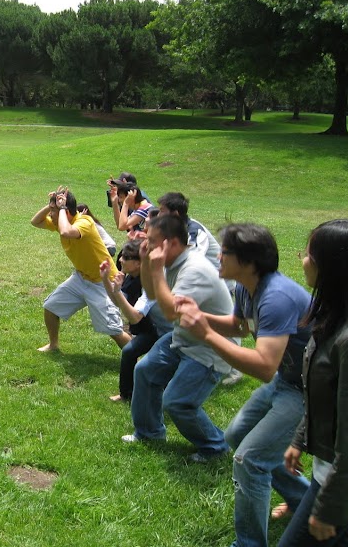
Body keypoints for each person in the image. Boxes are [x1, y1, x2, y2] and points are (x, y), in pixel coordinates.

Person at [175, 224, 312, 547]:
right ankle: (304, 499)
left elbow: (264, 366)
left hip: (309, 390)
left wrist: (205, 334)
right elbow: (239, 326)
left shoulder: (276, 297)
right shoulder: (246, 289)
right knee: (236, 435)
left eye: (225, 253)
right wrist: (201, 317)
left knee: (249, 459)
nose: (218, 257)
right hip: (287, 380)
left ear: (249, 262)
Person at [277, 220, 348, 547]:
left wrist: (331, 507)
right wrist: (300, 439)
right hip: (334, 469)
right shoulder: (334, 319)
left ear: (330, 268)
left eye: (308, 254)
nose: (303, 260)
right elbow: (324, 396)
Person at [123, 213, 235, 462]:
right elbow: (152, 293)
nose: (145, 243)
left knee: (177, 402)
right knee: (145, 371)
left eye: (151, 240)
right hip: (184, 335)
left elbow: (171, 312)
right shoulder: (171, 261)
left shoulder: (194, 269)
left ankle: (216, 446)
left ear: (171, 243)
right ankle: (149, 433)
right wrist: (147, 263)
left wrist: (156, 270)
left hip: (210, 346)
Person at [157, 191, 243, 386]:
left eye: (162, 211)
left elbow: (193, 258)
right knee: (200, 322)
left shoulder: (194, 231)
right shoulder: (176, 230)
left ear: (175, 214)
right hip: (199, 282)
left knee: (221, 322)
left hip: (218, 283)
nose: (158, 214)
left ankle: (233, 368)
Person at [30, 186, 129, 352]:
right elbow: (35, 222)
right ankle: (53, 345)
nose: (50, 215)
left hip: (104, 282)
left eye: (53, 211)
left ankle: (138, 360)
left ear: (66, 212)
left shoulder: (84, 222)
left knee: (113, 330)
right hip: (81, 278)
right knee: (51, 306)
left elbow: (66, 232)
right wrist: (51, 205)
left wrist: (61, 207)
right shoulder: (60, 221)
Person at [100, 239, 173, 401]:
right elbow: (118, 302)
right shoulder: (132, 277)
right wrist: (106, 280)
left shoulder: (151, 281)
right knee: (129, 351)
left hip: (171, 333)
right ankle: (126, 394)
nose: (120, 260)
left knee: (152, 369)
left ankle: (168, 393)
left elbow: (134, 317)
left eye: (126, 257)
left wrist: (117, 291)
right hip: (153, 329)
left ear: (139, 263)